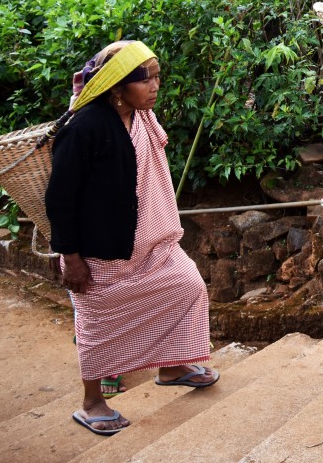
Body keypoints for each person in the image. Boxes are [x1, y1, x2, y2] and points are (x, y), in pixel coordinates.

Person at [45, 40, 217, 435]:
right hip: (100, 250)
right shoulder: (85, 128)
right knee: (97, 323)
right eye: (146, 79)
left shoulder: (140, 117)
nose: (156, 85)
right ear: (117, 87)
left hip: (150, 243)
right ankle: (92, 403)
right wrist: (70, 256)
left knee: (186, 285)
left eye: (158, 76)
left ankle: (173, 367)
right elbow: (60, 198)